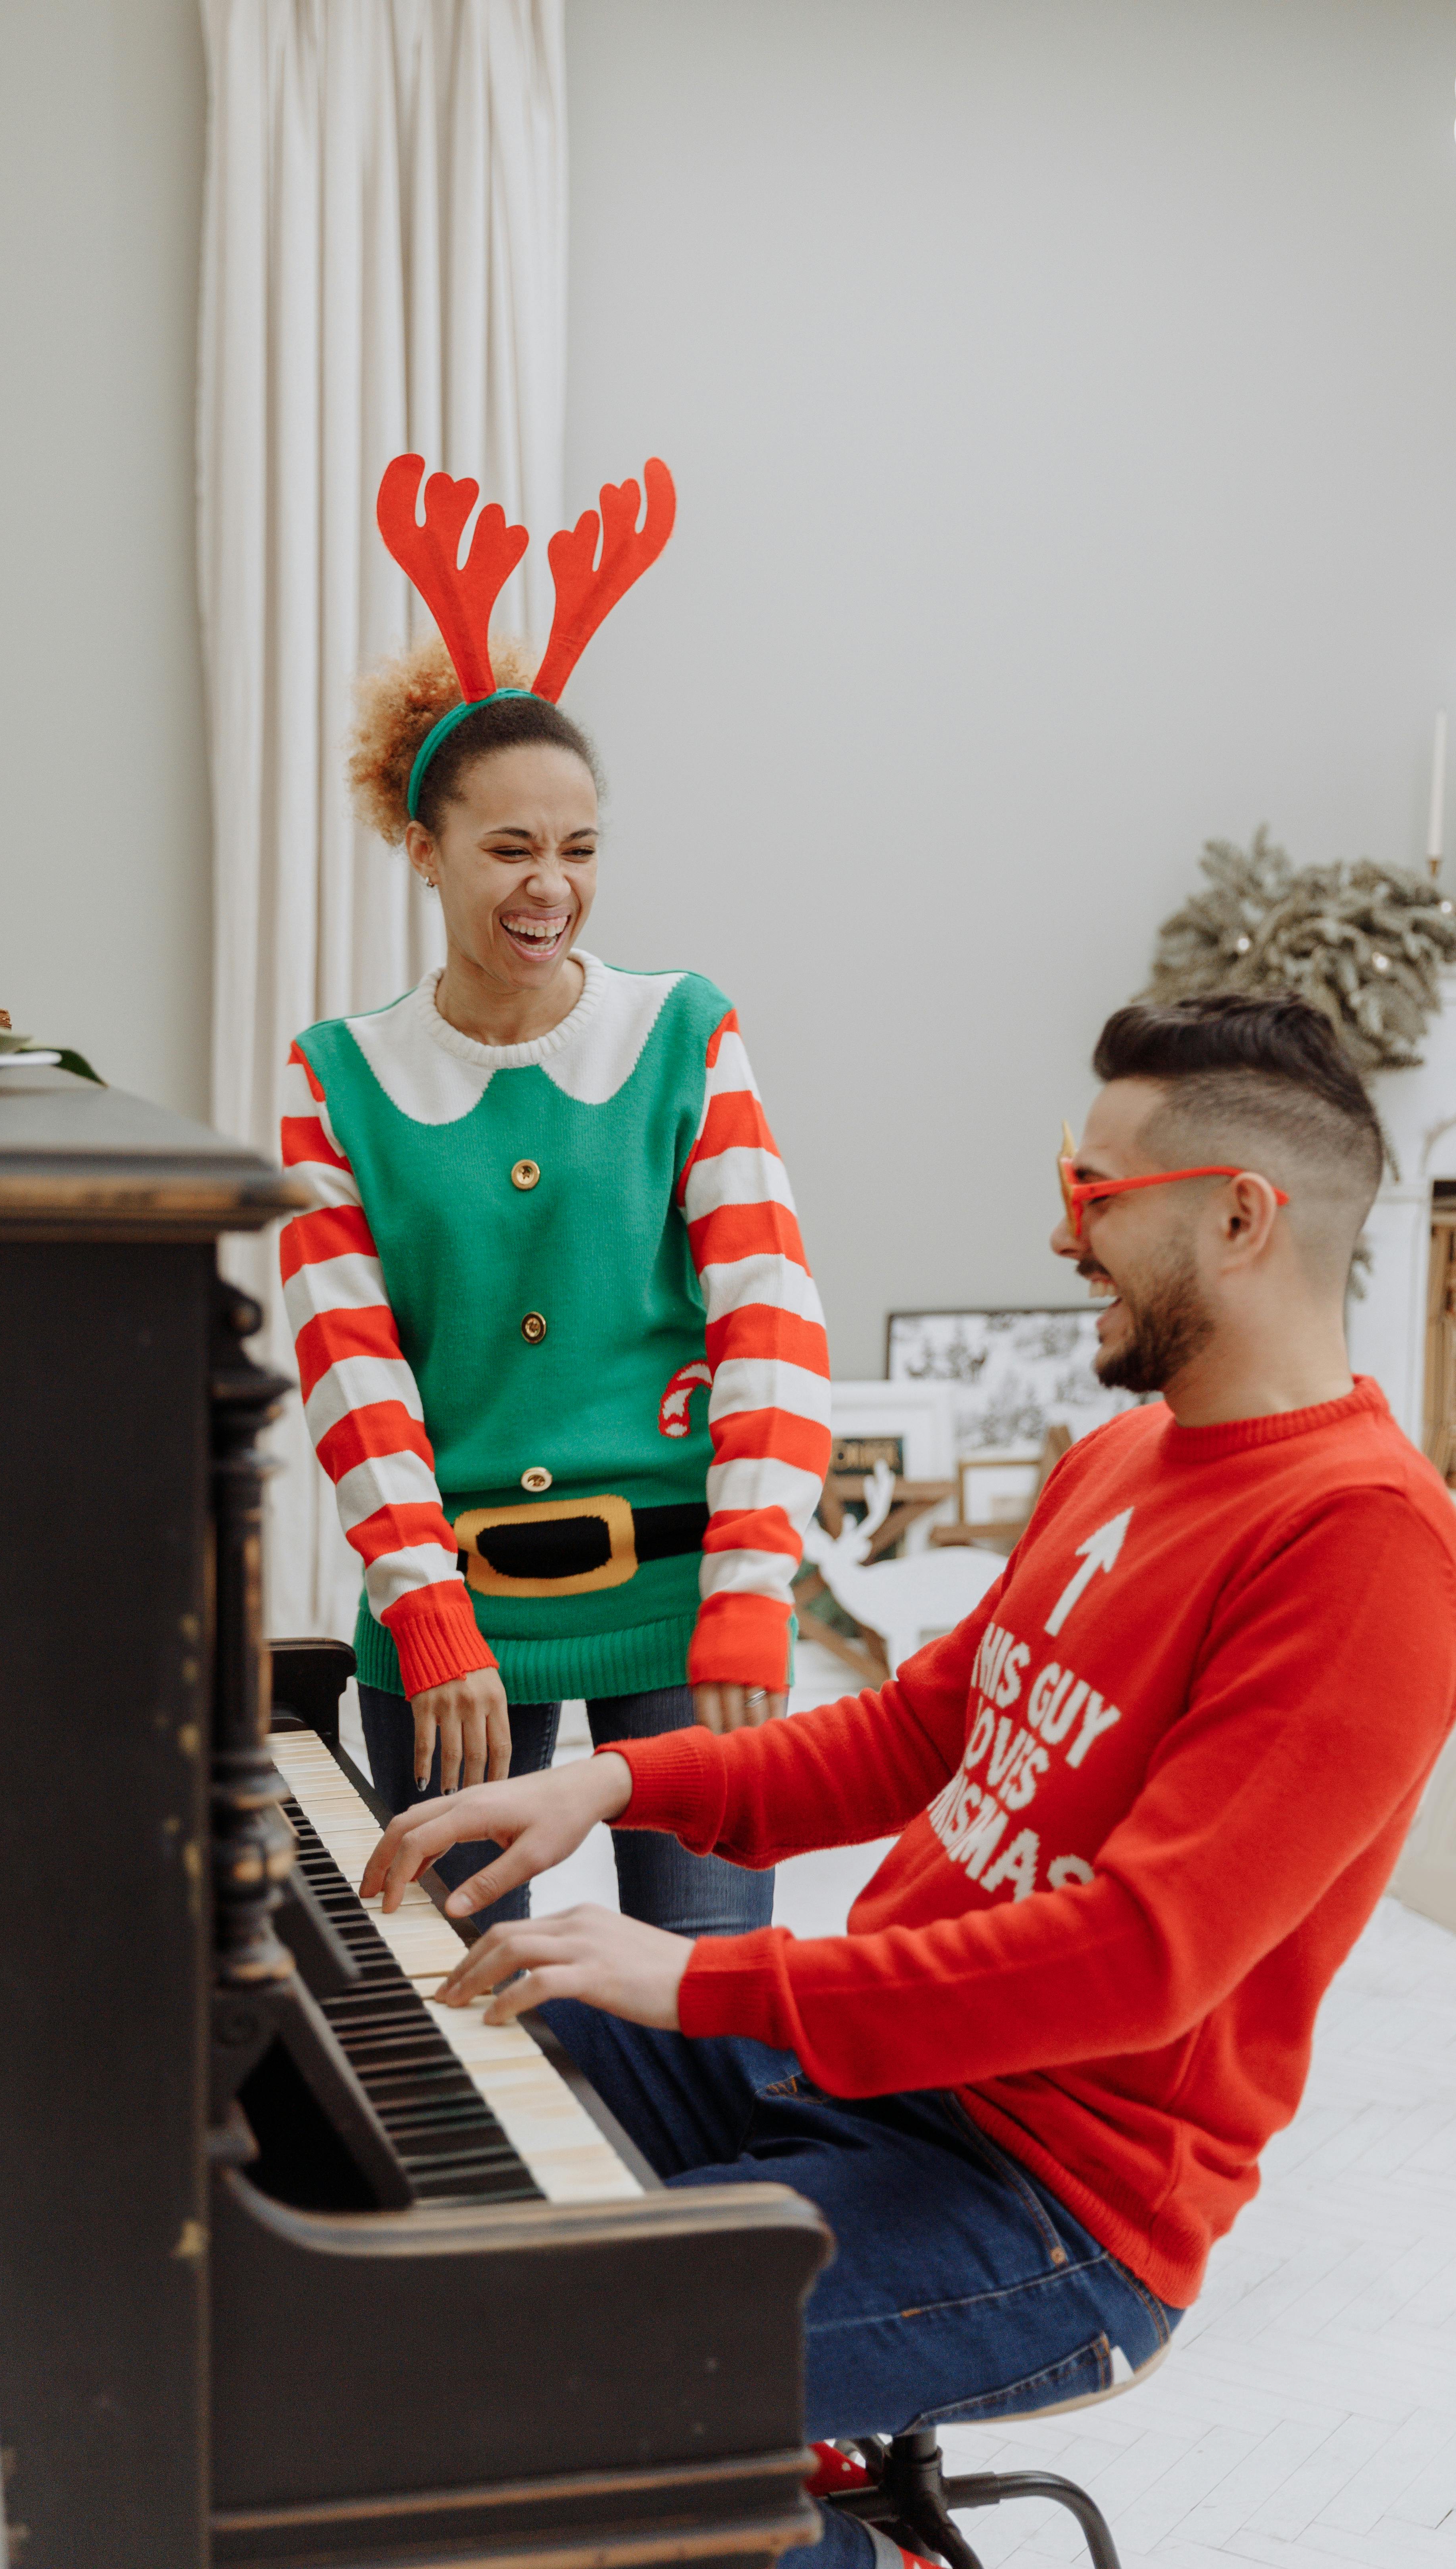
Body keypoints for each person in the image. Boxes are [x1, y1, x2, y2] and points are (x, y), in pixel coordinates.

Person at [361, 991, 1456, 2564]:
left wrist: (714, 1977)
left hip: (1049, 2205)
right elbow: (918, 1732)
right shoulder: (1124, 1460)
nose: (1065, 1236)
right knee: (438, 2110)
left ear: (1239, 1217)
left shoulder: (1365, 1546)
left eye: (1095, 1195)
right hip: (868, 2074)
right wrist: (605, 1792)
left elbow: (1146, 1958)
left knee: (568, 2385)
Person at [281, 453, 829, 1936]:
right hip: (452, 1619)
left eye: (580, 849)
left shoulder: (682, 1032)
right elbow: (350, 1361)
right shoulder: (338, 1075)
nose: (551, 884)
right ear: (424, 846)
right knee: (465, 2003)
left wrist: (753, 1586)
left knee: (712, 2002)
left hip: (684, 1597)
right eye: (510, 846)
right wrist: (425, 1605)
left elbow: (769, 1311)